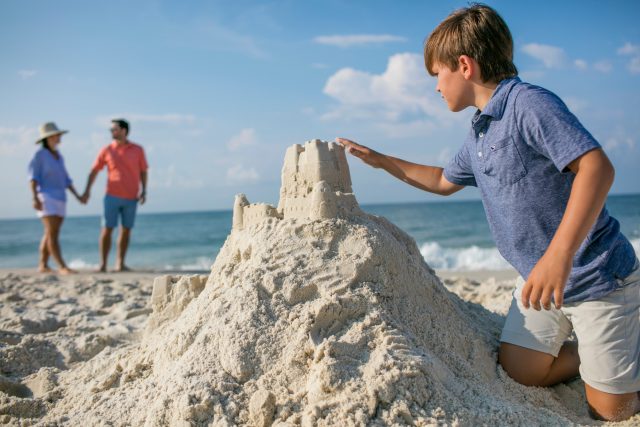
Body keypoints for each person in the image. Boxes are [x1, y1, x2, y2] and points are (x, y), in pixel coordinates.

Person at [337, 4, 639, 422]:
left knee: (613, 410)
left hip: (596, 275)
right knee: (521, 371)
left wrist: (559, 256)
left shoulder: (528, 104)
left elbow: (596, 167)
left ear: (464, 65)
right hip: (542, 283)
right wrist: (382, 160)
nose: (436, 87)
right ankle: (599, 355)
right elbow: (444, 180)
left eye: (437, 75)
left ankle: (623, 347)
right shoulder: (481, 127)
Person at [81, 119, 148, 272]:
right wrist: (87, 191)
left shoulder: (137, 150)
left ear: (124, 130)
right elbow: (94, 170)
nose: (112, 132)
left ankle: (120, 263)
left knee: (126, 230)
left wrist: (144, 190)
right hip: (111, 196)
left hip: (131, 197)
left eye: (114, 129)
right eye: (111, 130)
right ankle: (103, 264)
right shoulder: (107, 150)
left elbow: (143, 171)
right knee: (107, 229)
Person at [28, 122, 84, 274]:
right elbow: (33, 178)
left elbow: (66, 180)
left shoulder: (59, 157)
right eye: (56, 135)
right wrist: (35, 198)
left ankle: (43, 265)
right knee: (52, 233)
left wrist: (78, 196)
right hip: (46, 196)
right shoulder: (39, 155)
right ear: (48, 138)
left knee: (49, 233)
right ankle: (62, 266)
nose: (59, 137)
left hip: (60, 198)